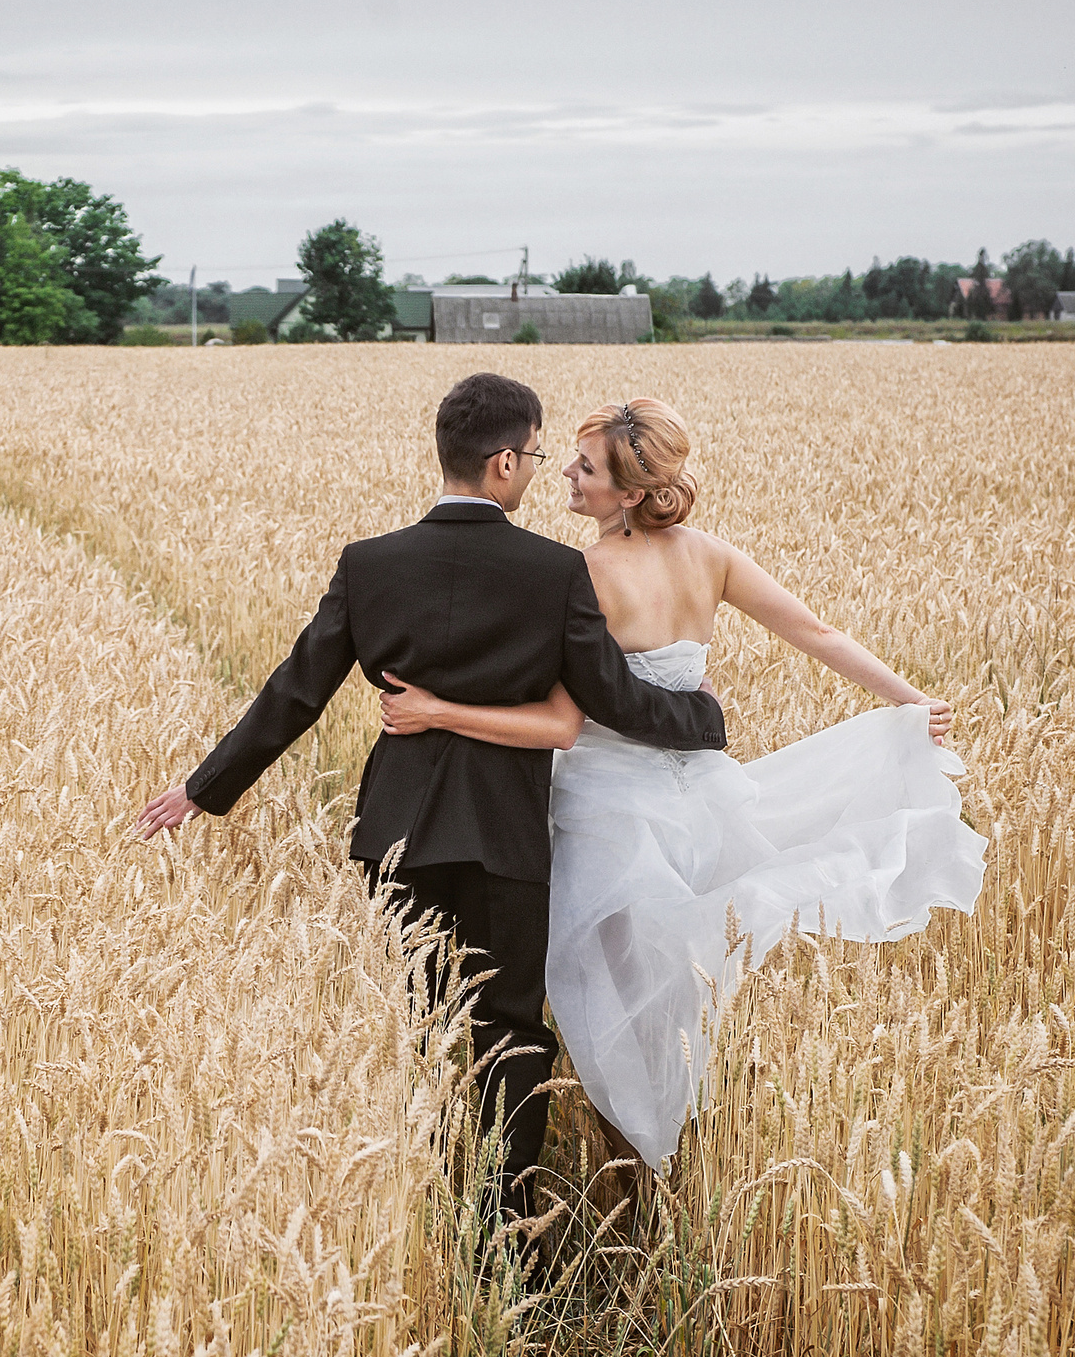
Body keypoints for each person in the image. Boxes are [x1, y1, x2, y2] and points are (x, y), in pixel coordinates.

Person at [135, 374, 725, 1231]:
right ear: (499, 462)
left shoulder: (369, 564)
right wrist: (701, 718)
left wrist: (202, 788)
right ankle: (505, 1222)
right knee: (511, 1031)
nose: (536, 470)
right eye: (530, 454)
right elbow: (613, 700)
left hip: (398, 832)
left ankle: (422, 1199)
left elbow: (294, 694)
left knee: (421, 1021)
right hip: (507, 839)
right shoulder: (555, 571)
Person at [378, 397, 987, 1174]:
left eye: (586, 466)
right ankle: (667, 1175)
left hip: (603, 809)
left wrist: (436, 708)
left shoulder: (582, 571)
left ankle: (630, 1168)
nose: (564, 471)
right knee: (675, 1002)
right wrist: (910, 701)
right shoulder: (712, 556)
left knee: (601, 1005)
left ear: (629, 494)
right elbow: (818, 634)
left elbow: (565, 711)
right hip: (701, 801)